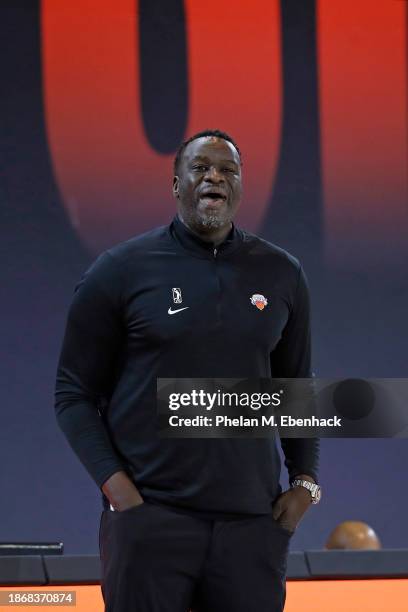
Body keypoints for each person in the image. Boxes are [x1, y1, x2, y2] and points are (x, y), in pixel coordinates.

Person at [55, 129, 321, 611]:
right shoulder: (119, 271)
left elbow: (296, 389)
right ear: (176, 184)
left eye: (227, 170)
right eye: (200, 168)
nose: (214, 177)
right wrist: (119, 492)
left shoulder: (282, 273)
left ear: (240, 186)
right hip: (152, 521)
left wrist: (305, 483)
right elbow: (73, 394)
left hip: (250, 528)